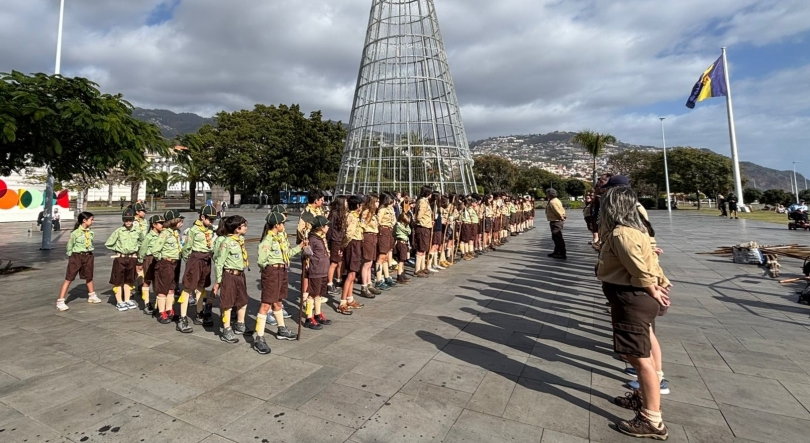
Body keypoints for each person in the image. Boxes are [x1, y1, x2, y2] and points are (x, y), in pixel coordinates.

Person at [597, 186, 671, 440]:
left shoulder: (621, 234)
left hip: (631, 298)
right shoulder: (636, 231)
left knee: (638, 358)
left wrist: (653, 289)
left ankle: (652, 419)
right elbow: (651, 261)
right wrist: (661, 283)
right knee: (645, 349)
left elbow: (639, 268)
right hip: (636, 297)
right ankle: (643, 399)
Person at [253, 212, 305, 354]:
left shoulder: (279, 238)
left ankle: (281, 329)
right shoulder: (268, 240)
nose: (284, 225)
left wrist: (300, 247)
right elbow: (261, 261)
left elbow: (286, 254)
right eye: (282, 223)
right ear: (277, 225)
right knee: (266, 304)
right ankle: (259, 337)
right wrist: (269, 271)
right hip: (272, 272)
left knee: (278, 302)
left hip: (282, 270)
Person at [178, 205, 218, 332]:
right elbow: (187, 248)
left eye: (213, 219)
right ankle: (182, 317)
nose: (212, 222)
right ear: (202, 217)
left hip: (206, 259)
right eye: (210, 219)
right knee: (189, 287)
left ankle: (199, 313)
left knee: (201, 286)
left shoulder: (211, 230)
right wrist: (189, 262)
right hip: (195, 258)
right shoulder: (193, 230)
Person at [214, 215, 250, 343]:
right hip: (229, 275)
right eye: (244, 225)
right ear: (236, 228)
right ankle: (226, 329)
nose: (246, 227)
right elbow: (219, 262)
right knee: (227, 304)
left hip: (240, 274)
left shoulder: (240, 240)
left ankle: (240, 324)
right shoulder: (226, 242)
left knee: (243, 300)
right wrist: (219, 280)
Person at [56, 212, 100, 311]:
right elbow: (69, 246)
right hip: (77, 256)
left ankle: (92, 295)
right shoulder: (75, 233)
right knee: (69, 278)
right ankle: (60, 301)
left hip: (88, 256)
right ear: (84, 220)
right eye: (91, 219)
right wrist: (71, 257)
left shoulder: (90, 232)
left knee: (89, 276)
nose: (93, 221)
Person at [151, 210, 185, 324]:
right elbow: (155, 250)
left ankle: (169, 309)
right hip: (165, 264)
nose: (182, 223)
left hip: (174, 264)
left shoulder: (175, 233)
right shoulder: (165, 234)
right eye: (180, 221)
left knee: (171, 288)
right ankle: (161, 312)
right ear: (173, 221)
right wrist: (163, 259)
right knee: (162, 288)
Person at [105, 207, 141, 311]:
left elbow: (142, 242)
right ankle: (119, 301)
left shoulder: (137, 231)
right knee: (118, 281)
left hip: (132, 258)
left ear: (133, 220)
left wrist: (136, 249)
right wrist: (117, 250)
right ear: (123, 220)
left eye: (130, 220)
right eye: (126, 220)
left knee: (129, 280)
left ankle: (127, 299)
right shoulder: (119, 231)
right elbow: (109, 243)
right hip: (120, 259)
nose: (128, 222)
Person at [302, 215, 333, 330]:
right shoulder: (312, 239)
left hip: (323, 270)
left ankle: (318, 314)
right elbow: (307, 254)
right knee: (312, 294)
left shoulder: (321, 237)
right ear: (320, 227)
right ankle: (309, 318)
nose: (328, 227)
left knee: (319, 293)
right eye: (326, 225)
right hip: (316, 270)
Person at [340, 195, 364, 314]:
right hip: (352, 245)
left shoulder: (355, 216)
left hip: (356, 243)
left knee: (353, 274)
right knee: (350, 275)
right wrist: (343, 245)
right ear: (358, 206)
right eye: (361, 205)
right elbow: (349, 234)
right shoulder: (352, 217)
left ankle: (350, 298)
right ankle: (343, 301)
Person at [138, 214, 164, 315]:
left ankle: (158, 304)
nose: (162, 225)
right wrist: (140, 261)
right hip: (149, 258)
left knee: (158, 282)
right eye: (160, 223)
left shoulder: (162, 235)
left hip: (159, 259)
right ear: (154, 224)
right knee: (148, 280)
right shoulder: (149, 236)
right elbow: (143, 249)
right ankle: (146, 303)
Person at [359, 195, 381, 297]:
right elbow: (362, 226)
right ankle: (364, 287)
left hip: (373, 237)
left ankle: (369, 284)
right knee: (366, 263)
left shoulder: (373, 213)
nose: (378, 204)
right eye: (376, 202)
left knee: (370, 262)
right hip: (368, 236)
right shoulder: (366, 212)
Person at [327, 196, 347, 296]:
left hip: (340, 240)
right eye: (346, 201)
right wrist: (328, 243)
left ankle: (339, 280)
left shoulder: (342, 214)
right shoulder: (334, 214)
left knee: (339, 261)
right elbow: (329, 230)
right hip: (335, 241)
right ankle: (329, 284)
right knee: (334, 262)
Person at [376, 193, 397, 289]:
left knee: (386, 256)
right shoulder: (382, 209)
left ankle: (387, 276)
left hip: (389, 231)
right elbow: (378, 222)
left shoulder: (390, 209)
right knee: (381, 256)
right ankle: (379, 279)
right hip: (383, 231)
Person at [413, 186, 434, 277]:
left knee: (424, 248)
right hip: (422, 227)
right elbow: (419, 216)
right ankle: (417, 269)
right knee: (421, 248)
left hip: (426, 226)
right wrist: (424, 221)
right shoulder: (422, 202)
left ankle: (422, 267)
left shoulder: (425, 201)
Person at [545, 188, 567, 259]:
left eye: (547, 193)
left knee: (557, 237)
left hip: (556, 221)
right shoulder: (556, 200)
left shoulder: (552, 202)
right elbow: (562, 209)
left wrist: (561, 217)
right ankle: (556, 251)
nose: (546, 195)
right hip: (556, 220)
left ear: (550, 194)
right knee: (555, 237)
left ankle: (561, 253)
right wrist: (563, 215)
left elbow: (557, 211)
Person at [394, 212, 412, 285]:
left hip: (405, 243)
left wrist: (407, 225)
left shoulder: (405, 225)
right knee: (401, 260)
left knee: (403, 259)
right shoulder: (398, 225)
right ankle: (399, 276)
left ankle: (402, 273)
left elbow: (409, 232)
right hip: (400, 242)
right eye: (405, 222)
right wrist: (406, 227)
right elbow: (406, 231)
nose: (406, 224)